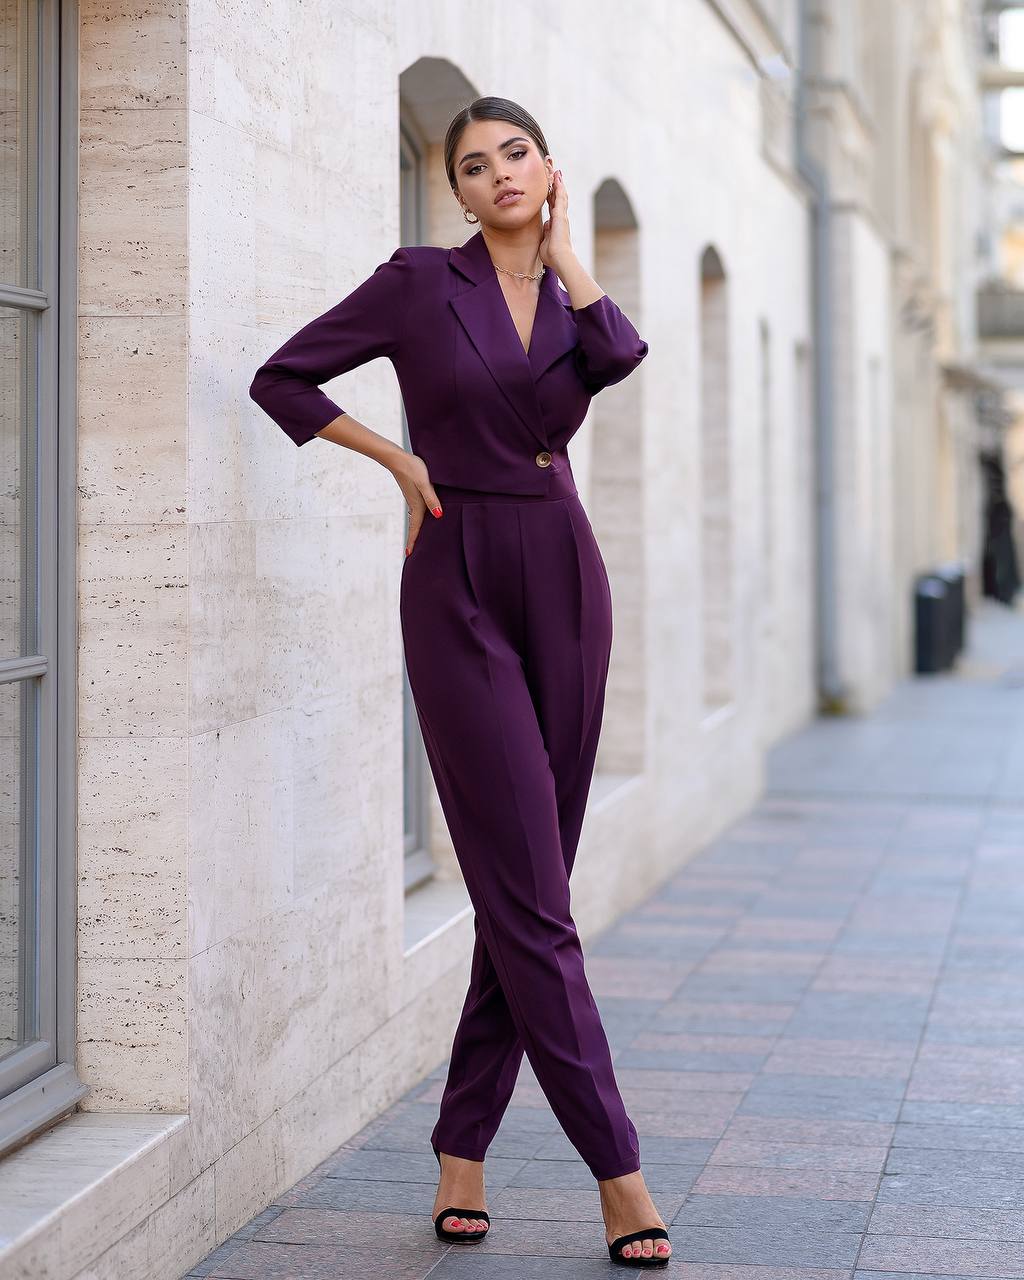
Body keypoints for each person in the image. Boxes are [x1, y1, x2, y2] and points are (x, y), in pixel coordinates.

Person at [249, 95, 670, 1268]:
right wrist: (394, 460)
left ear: (545, 167)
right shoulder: (417, 281)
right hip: (458, 576)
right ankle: (619, 1172)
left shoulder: (574, 300)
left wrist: (569, 252)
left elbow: (618, 357)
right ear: (454, 189)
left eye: (515, 156)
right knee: (535, 901)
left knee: (522, 886)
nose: (496, 176)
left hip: (564, 570)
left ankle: (461, 1150)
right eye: (474, 164)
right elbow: (282, 378)